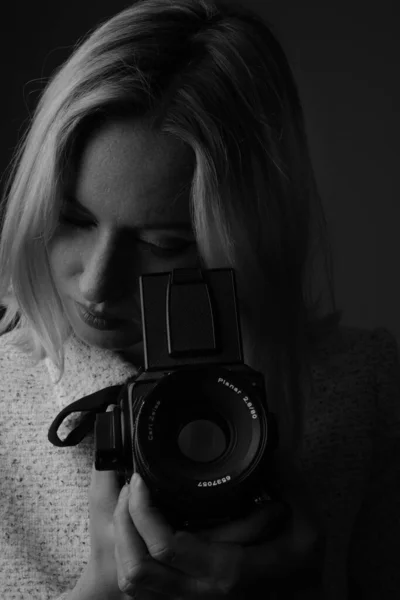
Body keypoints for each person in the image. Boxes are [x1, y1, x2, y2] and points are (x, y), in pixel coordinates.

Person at [0, 0, 399, 598]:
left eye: (163, 244)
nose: (97, 283)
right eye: (71, 219)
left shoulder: (363, 387)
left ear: (246, 239)